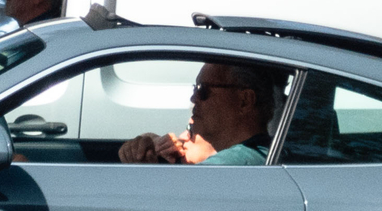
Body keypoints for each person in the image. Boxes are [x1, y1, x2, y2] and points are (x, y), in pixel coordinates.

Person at [117, 61, 281, 165]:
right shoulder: (258, 155)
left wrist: (144, 169)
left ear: (244, 100)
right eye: (195, 89)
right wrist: (152, 143)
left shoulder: (231, 164)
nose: (193, 98)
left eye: (203, 90)